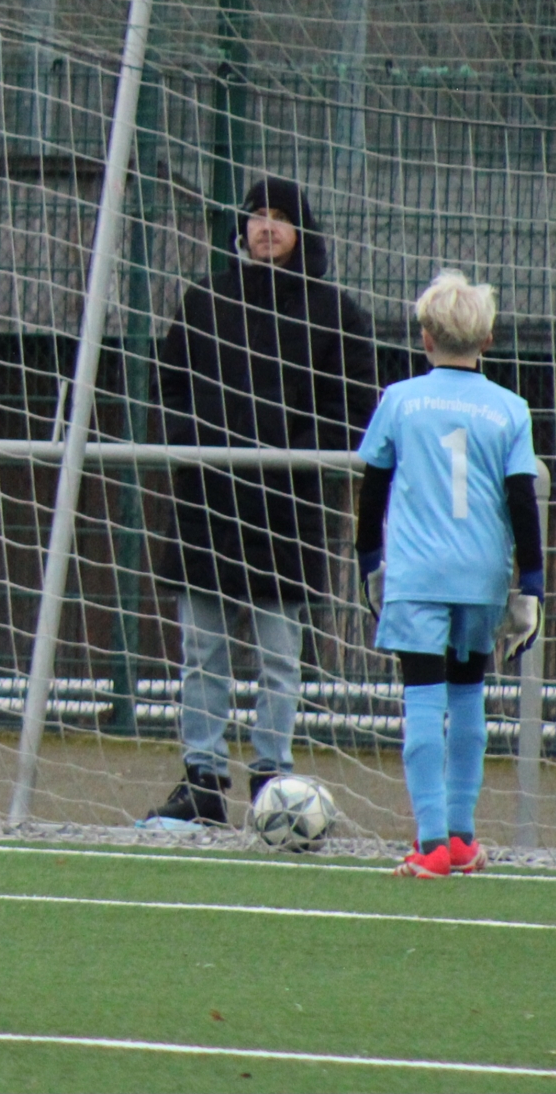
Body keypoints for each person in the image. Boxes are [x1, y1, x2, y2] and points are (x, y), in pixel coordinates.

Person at [149, 177, 378, 826]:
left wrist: (292, 454)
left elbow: (355, 406)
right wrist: (199, 445)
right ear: (241, 229)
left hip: (288, 511)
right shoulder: (203, 302)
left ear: (301, 230)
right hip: (207, 505)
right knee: (203, 653)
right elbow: (168, 388)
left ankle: (272, 777)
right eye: (257, 216)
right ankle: (202, 777)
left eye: (280, 216)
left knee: (279, 656)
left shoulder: (336, 313)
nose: (267, 227)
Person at [354, 271, 542, 878]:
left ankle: (431, 841)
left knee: (421, 699)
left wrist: (368, 564)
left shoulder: (399, 399)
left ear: (425, 338)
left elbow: (373, 490)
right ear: (487, 340)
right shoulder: (510, 408)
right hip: (481, 575)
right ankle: (461, 837)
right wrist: (532, 585)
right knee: (467, 698)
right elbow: (522, 499)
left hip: (417, 574)